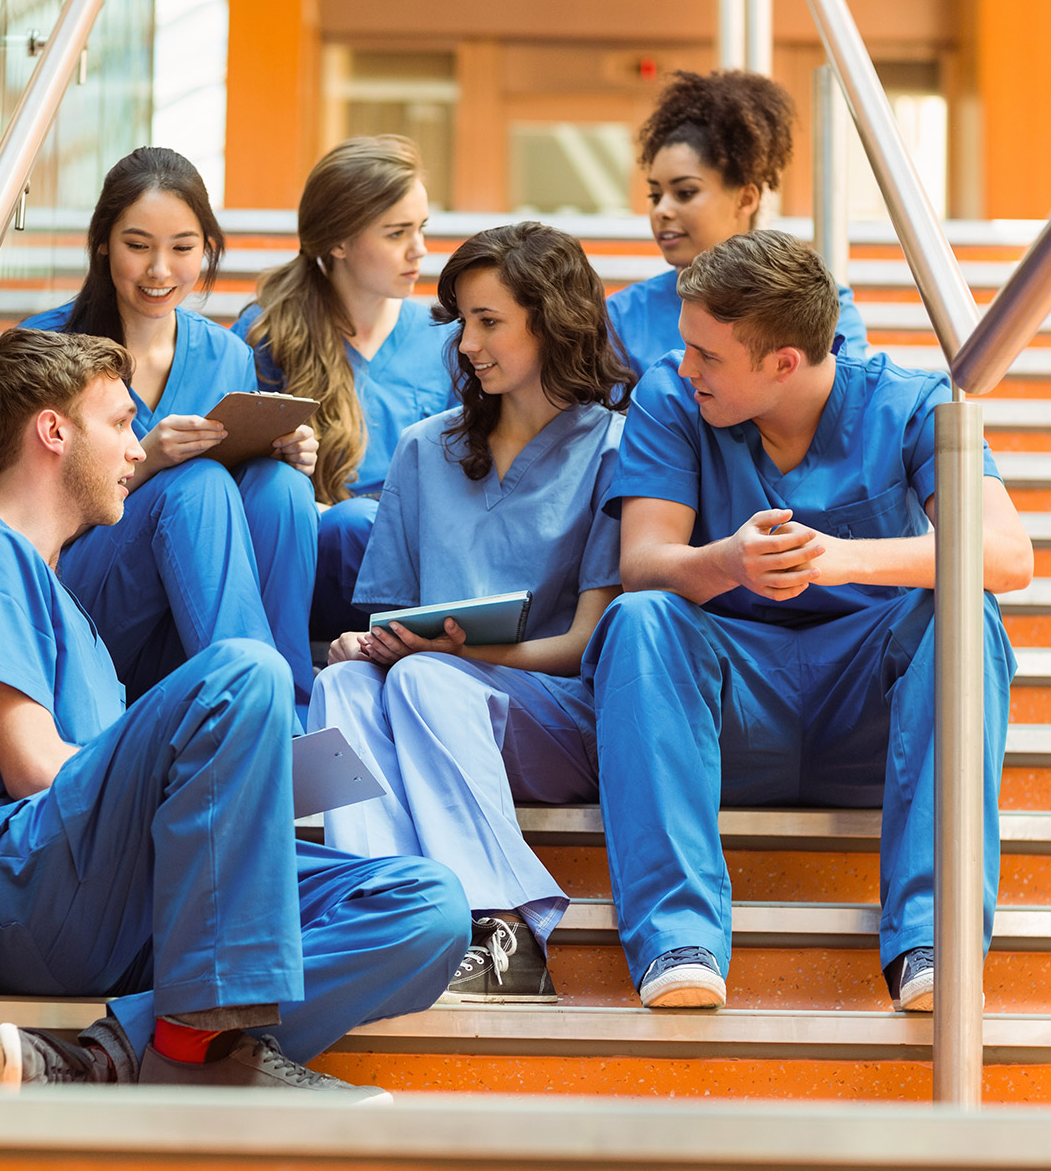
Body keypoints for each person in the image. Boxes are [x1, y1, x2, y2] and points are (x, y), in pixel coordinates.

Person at [0, 327, 469, 1093]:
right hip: (23, 898)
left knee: (427, 909)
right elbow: (33, 768)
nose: (137, 449)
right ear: (53, 431)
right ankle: (201, 1052)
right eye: (121, 423)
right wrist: (190, 773)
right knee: (247, 671)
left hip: (135, 900)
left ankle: (125, 1051)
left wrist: (250, 779)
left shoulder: (75, 614)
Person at [583, 231, 1031, 1012]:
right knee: (642, 617)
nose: (687, 367)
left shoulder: (908, 401)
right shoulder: (671, 396)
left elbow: (1007, 556)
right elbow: (645, 558)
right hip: (733, 707)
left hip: (867, 710)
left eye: (708, 355)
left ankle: (934, 942)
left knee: (961, 611)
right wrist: (726, 562)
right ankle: (679, 944)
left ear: (784, 362)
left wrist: (844, 559)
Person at [309, 222, 634, 1003]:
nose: (467, 343)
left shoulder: (615, 449)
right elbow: (394, 626)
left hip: (556, 717)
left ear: (552, 322)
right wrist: (366, 644)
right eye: (463, 323)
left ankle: (506, 926)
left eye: (490, 322)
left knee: (424, 678)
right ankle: (386, 913)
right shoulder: (426, 449)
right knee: (341, 689)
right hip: (434, 695)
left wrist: (456, 659)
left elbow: (587, 642)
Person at [0, 147, 318, 715]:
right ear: (103, 242)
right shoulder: (45, 351)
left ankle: (293, 712)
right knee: (196, 483)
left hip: (190, 608)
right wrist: (146, 461)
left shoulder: (228, 354)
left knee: (284, 490)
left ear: (206, 247)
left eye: (182, 248)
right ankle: (256, 719)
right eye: (137, 246)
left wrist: (283, 453)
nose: (160, 270)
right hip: (86, 602)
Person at [233, 135, 453, 637]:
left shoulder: (448, 339)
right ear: (339, 241)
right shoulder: (268, 332)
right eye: (397, 233)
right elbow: (235, 475)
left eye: (421, 228)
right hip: (311, 566)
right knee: (351, 524)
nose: (419, 250)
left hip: (424, 563)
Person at [607, 70, 868, 379]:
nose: (661, 210)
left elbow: (841, 409)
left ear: (746, 199)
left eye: (685, 192)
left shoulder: (820, 312)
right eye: (655, 194)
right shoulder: (621, 318)